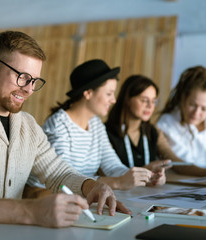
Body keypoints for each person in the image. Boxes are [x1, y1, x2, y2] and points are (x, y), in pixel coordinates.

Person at [0, 31, 129, 240]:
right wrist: (30, 211)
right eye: (22, 77)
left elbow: (58, 173)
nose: (29, 89)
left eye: (35, 80)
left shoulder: (27, 124)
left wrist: (92, 186)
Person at [27, 59, 160, 191]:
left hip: (81, 197)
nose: (113, 100)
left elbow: (112, 166)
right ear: (88, 93)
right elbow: (65, 178)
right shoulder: (58, 125)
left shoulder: (96, 124)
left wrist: (144, 176)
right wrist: (117, 182)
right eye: (109, 94)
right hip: (45, 199)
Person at [106, 75, 185, 185]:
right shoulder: (105, 133)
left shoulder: (153, 131)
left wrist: (158, 176)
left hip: (145, 195)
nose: (150, 106)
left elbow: (173, 160)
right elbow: (108, 173)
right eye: (144, 100)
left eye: (153, 101)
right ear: (127, 99)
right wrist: (146, 170)